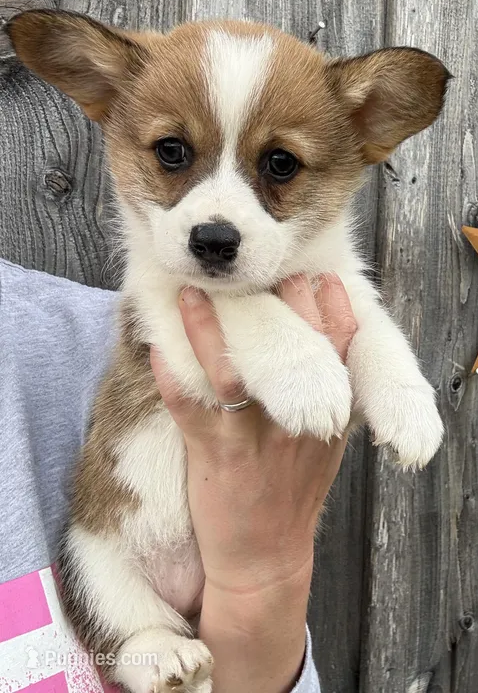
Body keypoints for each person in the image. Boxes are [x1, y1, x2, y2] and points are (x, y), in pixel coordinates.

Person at [0, 257, 357, 693]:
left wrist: (260, 579)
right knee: (100, 568)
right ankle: (137, 644)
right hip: (129, 584)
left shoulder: (84, 331)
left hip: (222, 605)